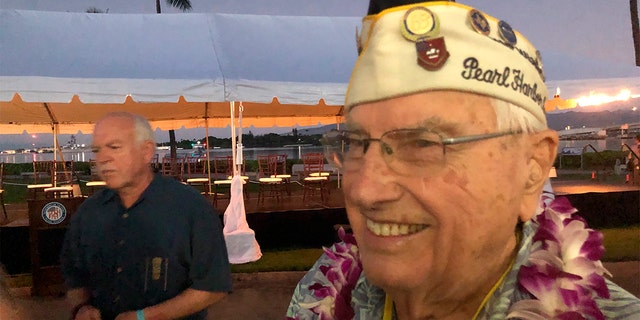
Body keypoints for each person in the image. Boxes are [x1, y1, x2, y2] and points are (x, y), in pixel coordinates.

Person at [287, 1, 640, 319]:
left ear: (532, 167)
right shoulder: (319, 293)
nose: (365, 190)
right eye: (356, 142)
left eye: (423, 144)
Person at [60, 112, 232, 320]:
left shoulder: (190, 209)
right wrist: (81, 308)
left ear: (146, 151)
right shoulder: (87, 214)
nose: (103, 158)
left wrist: (145, 316)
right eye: (97, 150)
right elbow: (75, 278)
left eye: (114, 147)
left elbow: (213, 286)